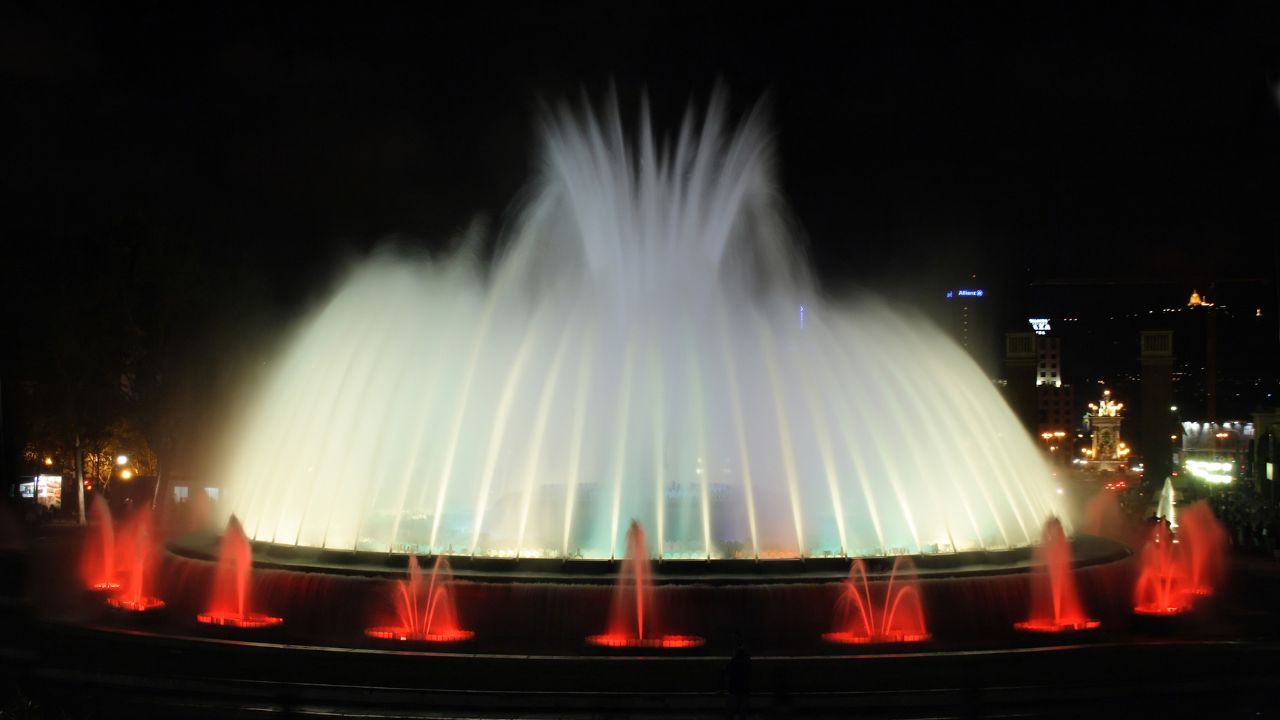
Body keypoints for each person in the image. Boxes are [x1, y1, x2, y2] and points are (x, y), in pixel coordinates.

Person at [725, 644, 751, 719]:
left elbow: (727, 673)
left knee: (732, 705)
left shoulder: (732, 663)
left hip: (733, 686)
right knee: (743, 704)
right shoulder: (746, 663)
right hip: (744, 686)